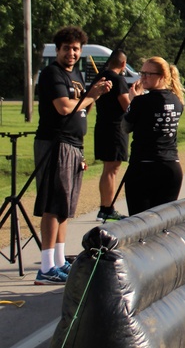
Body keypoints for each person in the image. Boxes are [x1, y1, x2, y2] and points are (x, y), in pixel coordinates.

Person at [33, 26, 112, 285]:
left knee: (66, 206)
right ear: (58, 50)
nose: (72, 53)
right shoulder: (52, 74)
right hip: (55, 143)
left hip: (74, 145)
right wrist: (92, 95)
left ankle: (58, 260)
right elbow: (65, 107)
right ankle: (45, 267)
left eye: (76, 49)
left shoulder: (76, 74)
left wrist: (93, 96)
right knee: (53, 204)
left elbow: (81, 113)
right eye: (67, 48)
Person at [122, 57, 184, 216]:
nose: (142, 78)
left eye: (148, 74)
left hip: (145, 166)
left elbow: (125, 127)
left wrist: (132, 101)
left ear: (162, 77)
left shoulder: (141, 101)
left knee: (140, 221)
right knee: (163, 221)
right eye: (142, 73)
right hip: (171, 166)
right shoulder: (177, 100)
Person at [94, 50, 131, 222]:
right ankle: (107, 208)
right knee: (111, 169)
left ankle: (106, 206)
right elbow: (126, 105)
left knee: (109, 168)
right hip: (115, 128)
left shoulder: (101, 77)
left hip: (102, 125)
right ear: (123, 64)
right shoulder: (118, 79)